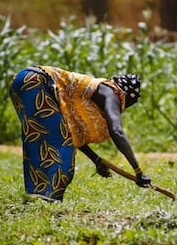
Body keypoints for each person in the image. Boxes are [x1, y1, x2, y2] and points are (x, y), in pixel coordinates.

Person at [9, 65, 151, 202]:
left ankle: (38, 196)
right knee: (63, 148)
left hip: (22, 80)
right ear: (127, 96)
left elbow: (72, 133)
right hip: (36, 82)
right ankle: (49, 198)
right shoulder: (112, 93)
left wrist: (96, 160)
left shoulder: (94, 92)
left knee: (39, 142)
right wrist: (138, 171)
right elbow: (117, 132)